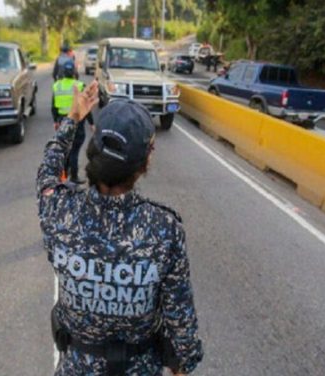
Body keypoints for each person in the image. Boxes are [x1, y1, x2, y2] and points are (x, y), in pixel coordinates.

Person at [37, 81, 204, 376]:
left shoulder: (59, 210)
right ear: (146, 161)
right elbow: (181, 322)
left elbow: (48, 169)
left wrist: (73, 118)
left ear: (93, 149)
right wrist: (184, 365)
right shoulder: (164, 230)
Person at [51, 60, 93, 184]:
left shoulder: (57, 85)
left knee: (65, 148)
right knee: (74, 150)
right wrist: (91, 123)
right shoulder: (79, 85)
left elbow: (53, 106)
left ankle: (64, 174)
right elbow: (86, 107)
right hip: (77, 122)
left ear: (63, 72)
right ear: (74, 72)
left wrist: (55, 121)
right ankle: (73, 177)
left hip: (62, 120)